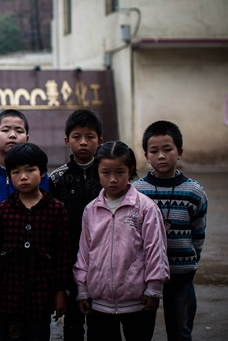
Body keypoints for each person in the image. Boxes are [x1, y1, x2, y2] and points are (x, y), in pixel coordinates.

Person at [74, 141, 170, 341]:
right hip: (98, 303)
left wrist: (154, 288)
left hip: (138, 301)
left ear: (130, 171)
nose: (113, 179)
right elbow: (84, 253)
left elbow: (156, 250)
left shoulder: (145, 208)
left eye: (119, 172)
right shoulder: (91, 210)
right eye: (106, 173)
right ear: (97, 172)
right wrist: (82, 290)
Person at [0, 143, 71, 341]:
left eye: (30, 170)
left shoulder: (56, 209)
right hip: (8, 296)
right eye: (16, 172)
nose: (23, 176)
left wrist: (61, 291)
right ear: (9, 176)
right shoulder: (3, 210)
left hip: (41, 297)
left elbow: (63, 253)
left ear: (42, 173)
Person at [133, 120, 207, 341]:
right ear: (146, 155)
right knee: (140, 332)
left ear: (180, 152)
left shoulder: (194, 191)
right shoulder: (137, 192)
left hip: (181, 274)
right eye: (154, 151)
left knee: (181, 331)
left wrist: (192, 260)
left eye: (168, 149)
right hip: (144, 276)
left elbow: (199, 232)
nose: (161, 156)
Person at [48, 109, 103, 341]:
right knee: (72, 324)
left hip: (101, 256)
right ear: (66, 140)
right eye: (77, 136)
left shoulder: (105, 175)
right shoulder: (57, 179)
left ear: (100, 141)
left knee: (100, 322)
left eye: (90, 137)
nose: (83, 142)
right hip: (69, 257)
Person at [0, 109, 49, 203]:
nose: (12, 135)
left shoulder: (37, 169)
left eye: (19, 131)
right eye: (5, 130)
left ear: (27, 138)